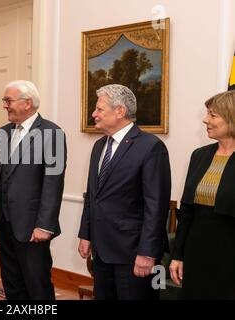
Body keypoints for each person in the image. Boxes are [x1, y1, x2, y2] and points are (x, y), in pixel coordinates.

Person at [77, 84, 171, 300]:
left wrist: (147, 252)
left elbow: (155, 206)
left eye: (99, 109)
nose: (94, 114)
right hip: (101, 251)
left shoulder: (150, 147)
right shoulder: (99, 146)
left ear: (120, 111)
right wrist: (86, 234)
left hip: (133, 252)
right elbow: (92, 196)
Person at [0, 80, 67, 300]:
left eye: (8, 100)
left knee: (37, 286)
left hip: (33, 229)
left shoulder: (52, 133)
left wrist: (44, 226)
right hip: (4, 223)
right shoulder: (3, 133)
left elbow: (53, 183)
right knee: (12, 284)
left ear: (27, 103)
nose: (4, 105)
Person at [169, 90, 235, 299]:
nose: (206, 120)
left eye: (213, 115)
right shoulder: (200, 155)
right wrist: (178, 255)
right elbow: (187, 210)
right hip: (197, 250)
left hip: (230, 253)